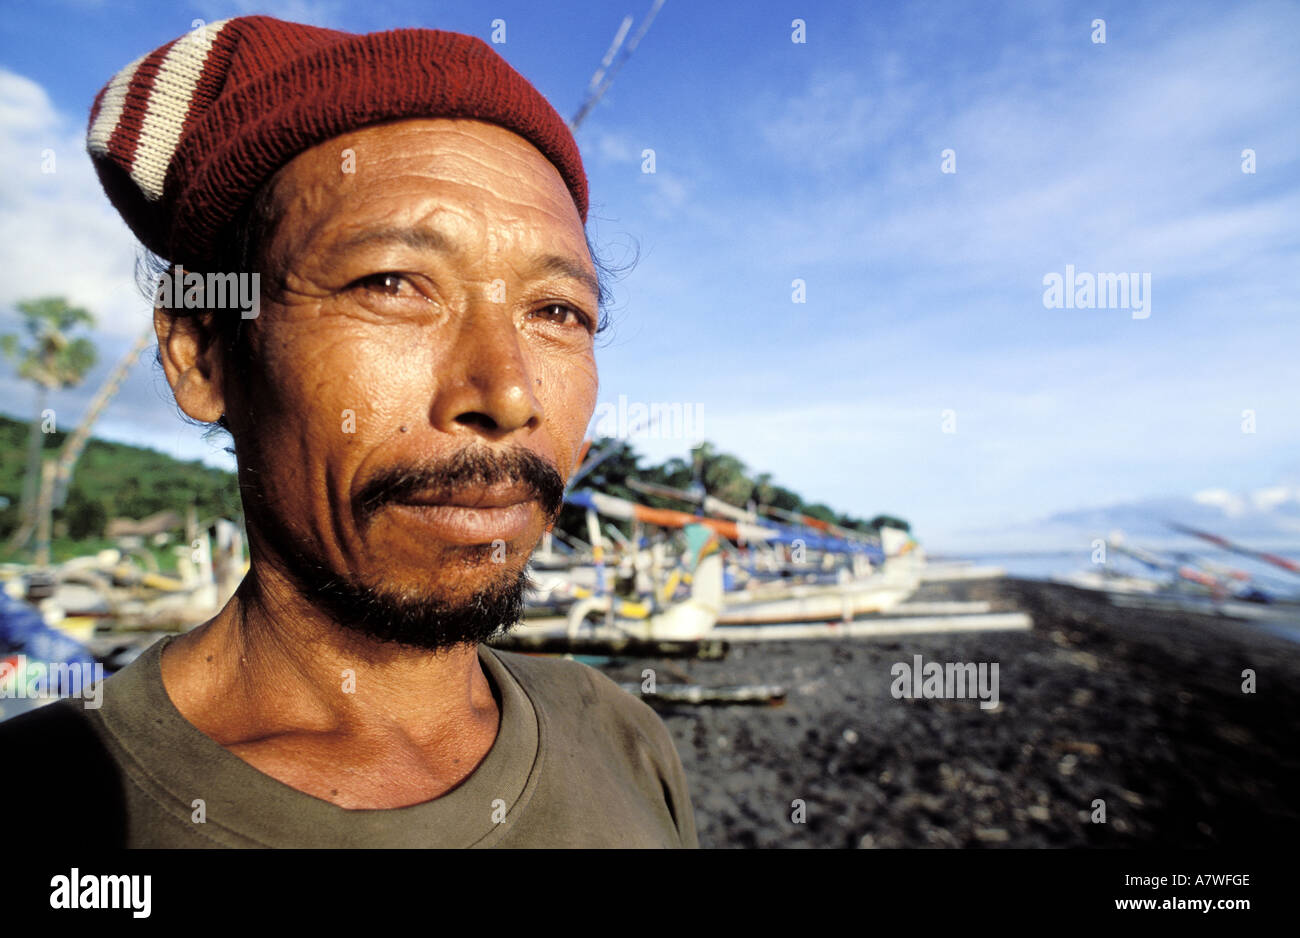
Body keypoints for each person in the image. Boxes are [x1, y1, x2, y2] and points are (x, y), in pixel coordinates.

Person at [0, 15, 698, 848]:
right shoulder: (54, 803)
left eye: (556, 311)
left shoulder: (623, 737)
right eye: (394, 283)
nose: (510, 392)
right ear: (201, 350)